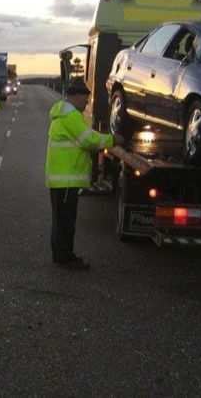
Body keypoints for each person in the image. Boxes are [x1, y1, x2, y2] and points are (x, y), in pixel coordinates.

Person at [45, 82, 125, 270]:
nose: (87, 103)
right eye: (85, 99)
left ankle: (60, 256)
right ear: (75, 97)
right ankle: (65, 259)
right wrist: (114, 139)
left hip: (60, 178)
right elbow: (90, 140)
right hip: (66, 179)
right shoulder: (71, 115)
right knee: (66, 221)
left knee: (60, 220)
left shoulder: (62, 114)